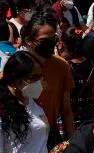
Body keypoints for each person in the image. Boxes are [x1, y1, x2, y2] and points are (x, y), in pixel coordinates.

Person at [22, 12, 76, 145]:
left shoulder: (61, 65)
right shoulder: (15, 66)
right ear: (29, 40)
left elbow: (66, 109)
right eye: (44, 40)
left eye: (54, 38)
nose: (50, 43)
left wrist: (72, 142)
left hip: (50, 134)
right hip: (23, 136)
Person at [60, 27, 94, 128]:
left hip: (72, 119)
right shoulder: (92, 64)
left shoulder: (65, 67)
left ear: (64, 46)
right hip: (92, 118)